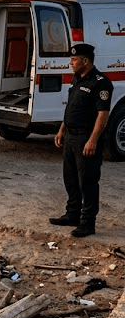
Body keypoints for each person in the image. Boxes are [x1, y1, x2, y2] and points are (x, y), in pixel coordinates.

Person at [50, 43, 113, 238]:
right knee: (70, 178)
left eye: (74, 60)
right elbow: (71, 107)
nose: (71, 63)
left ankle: (87, 223)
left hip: (86, 137)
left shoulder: (100, 82)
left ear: (85, 61)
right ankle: (72, 214)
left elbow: (103, 114)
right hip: (70, 136)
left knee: (87, 181)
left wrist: (93, 140)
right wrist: (61, 130)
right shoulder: (77, 78)